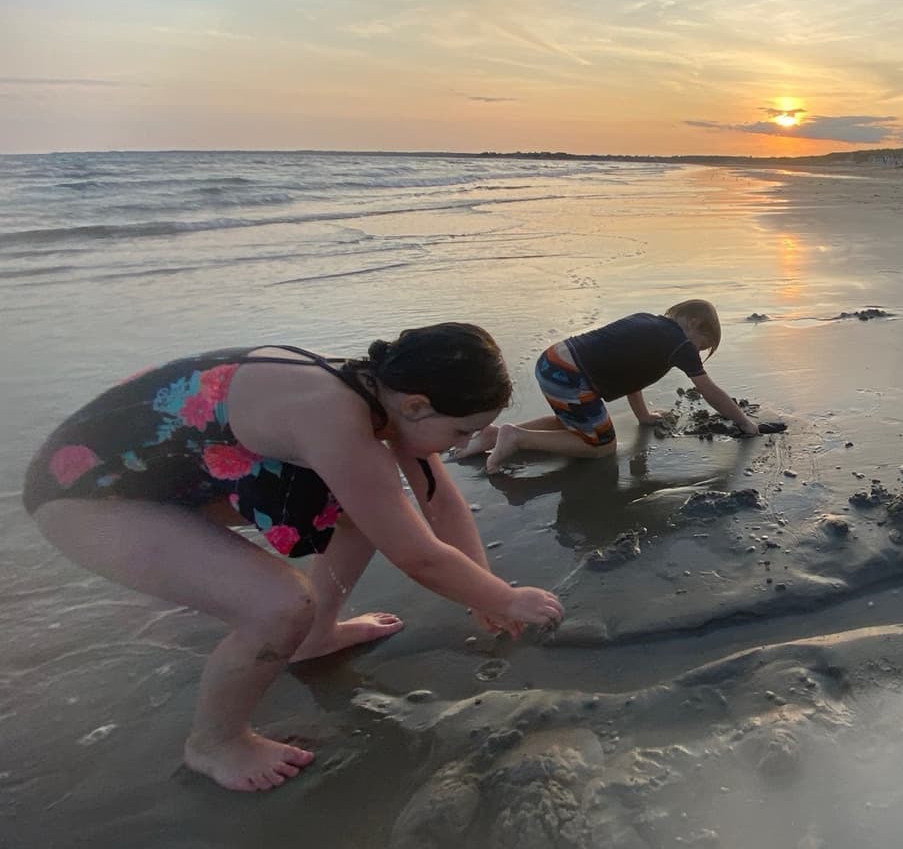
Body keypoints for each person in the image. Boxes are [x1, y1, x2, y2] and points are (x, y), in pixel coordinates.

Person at [24, 323, 565, 792]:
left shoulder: (379, 393)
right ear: (417, 404)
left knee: (364, 507)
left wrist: (483, 593)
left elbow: (438, 499)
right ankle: (215, 742)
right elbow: (417, 556)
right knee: (280, 604)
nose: (459, 444)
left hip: (170, 469)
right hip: (88, 495)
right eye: (461, 431)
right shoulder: (330, 415)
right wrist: (508, 598)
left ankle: (317, 637)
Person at [460, 300, 782, 471]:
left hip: (553, 362)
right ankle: (518, 438)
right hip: (574, 375)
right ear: (695, 325)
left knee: (573, 421)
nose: (695, 353)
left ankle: (494, 434)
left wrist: (642, 417)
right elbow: (708, 390)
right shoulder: (678, 342)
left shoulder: (649, 324)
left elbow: (633, 375)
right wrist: (745, 422)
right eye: (701, 345)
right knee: (602, 445)